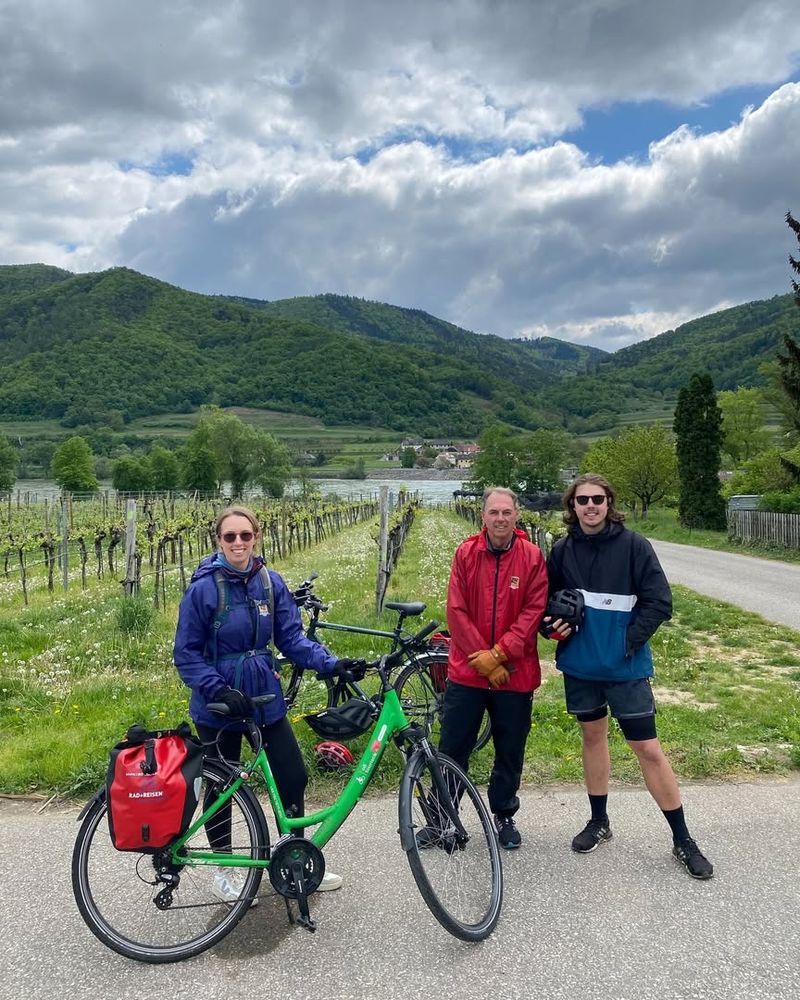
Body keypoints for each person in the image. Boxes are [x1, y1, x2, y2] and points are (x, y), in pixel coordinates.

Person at [173, 505, 360, 902]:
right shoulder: (203, 590)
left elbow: (291, 639)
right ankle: (225, 870)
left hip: (264, 700)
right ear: (218, 541)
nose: (238, 543)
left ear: (256, 537)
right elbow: (186, 654)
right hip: (218, 707)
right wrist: (218, 690)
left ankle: (296, 858)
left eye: (245, 535)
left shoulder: (269, 583)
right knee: (223, 791)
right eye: (230, 537)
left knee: (293, 776)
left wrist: (331, 664)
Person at [543, 473, 714, 879]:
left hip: (626, 668)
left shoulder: (635, 546)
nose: (590, 506)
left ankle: (682, 839)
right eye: (582, 500)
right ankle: (599, 821)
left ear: (608, 503)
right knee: (592, 737)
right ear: (572, 506)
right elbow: (547, 606)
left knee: (648, 749)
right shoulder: (562, 550)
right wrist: (549, 628)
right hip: (581, 667)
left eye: (597, 499)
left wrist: (627, 643)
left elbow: (660, 602)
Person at [439, 486, 548, 849]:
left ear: (516, 515)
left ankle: (504, 814)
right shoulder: (466, 553)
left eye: (506, 512)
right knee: (454, 746)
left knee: (510, 748)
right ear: (483, 515)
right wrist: (484, 661)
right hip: (468, 672)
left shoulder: (532, 557)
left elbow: (533, 613)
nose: (500, 518)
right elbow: (456, 610)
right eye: (493, 512)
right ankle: (446, 819)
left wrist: (499, 655)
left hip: (514, 674)